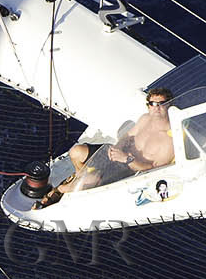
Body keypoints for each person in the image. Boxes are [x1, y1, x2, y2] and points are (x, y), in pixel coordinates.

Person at [33, 87, 176, 208]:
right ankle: (80, 175)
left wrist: (127, 159)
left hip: (128, 167)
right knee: (76, 152)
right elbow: (128, 136)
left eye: (161, 103)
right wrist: (116, 149)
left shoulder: (170, 138)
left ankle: (62, 190)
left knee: (91, 180)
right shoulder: (145, 118)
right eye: (152, 103)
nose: (156, 108)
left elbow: (153, 168)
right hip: (117, 153)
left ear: (169, 105)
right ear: (148, 106)